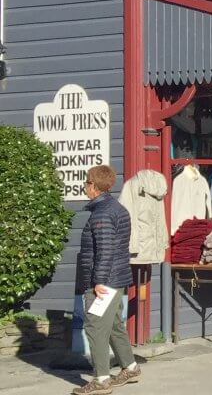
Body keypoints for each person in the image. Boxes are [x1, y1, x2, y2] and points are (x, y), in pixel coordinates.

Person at [73, 165, 139, 395]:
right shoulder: (116, 208)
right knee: (113, 325)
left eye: (86, 183)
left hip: (104, 282)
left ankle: (101, 380)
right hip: (116, 277)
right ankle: (130, 367)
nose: (84, 187)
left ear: (93, 185)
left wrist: (98, 281)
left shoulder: (101, 214)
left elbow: (105, 250)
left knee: (95, 326)